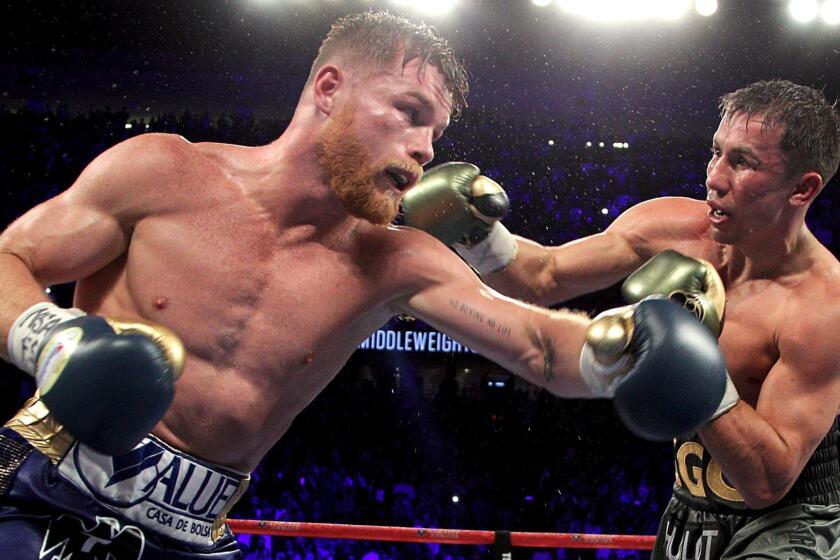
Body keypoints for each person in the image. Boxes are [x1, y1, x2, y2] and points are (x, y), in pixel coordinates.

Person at [0, 11, 728, 560]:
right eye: (409, 114)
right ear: (328, 89)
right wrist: (57, 343)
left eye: (435, 134)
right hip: (44, 488)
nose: (423, 150)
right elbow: (11, 257)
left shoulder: (393, 258)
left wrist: (631, 348)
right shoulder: (164, 172)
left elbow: (539, 345)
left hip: (191, 532)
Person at [406, 79, 840, 558]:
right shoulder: (673, 226)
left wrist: (693, 358)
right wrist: (478, 233)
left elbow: (768, 481)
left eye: (743, 162)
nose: (715, 177)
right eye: (717, 152)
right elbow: (543, 276)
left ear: (802, 188)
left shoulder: (824, 306)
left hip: (792, 522)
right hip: (689, 512)